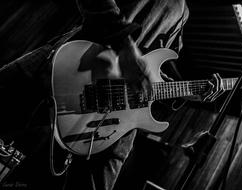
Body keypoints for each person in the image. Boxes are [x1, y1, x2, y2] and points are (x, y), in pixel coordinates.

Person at [0, 0, 225, 189]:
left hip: (119, 112)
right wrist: (125, 45)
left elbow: (156, 70)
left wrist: (189, 93)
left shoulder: (183, 12)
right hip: (75, 63)